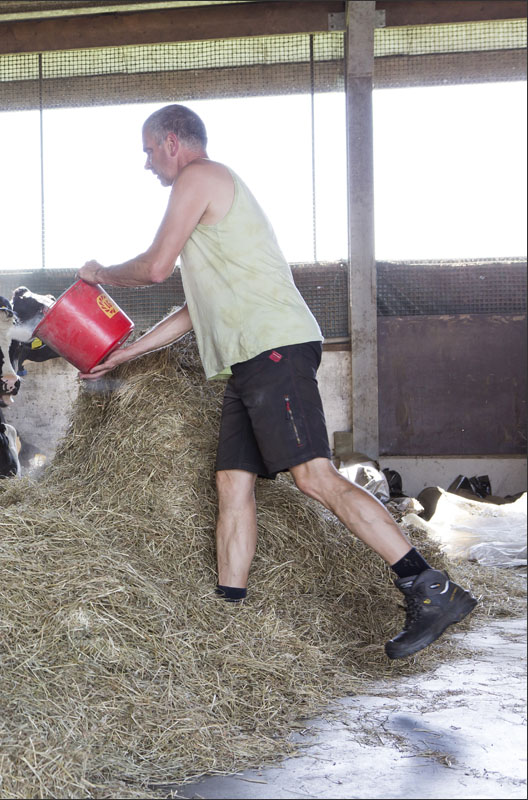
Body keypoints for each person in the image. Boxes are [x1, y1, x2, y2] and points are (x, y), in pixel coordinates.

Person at [76, 104, 476, 659]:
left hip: (275, 349)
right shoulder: (204, 211)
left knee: (313, 476)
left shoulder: (200, 176)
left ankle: (428, 586)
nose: (147, 164)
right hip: (247, 362)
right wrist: (128, 352)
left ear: (172, 141)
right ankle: (229, 613)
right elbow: (193, 308)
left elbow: (154, 267)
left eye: (148, 151)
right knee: (231, 483)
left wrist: (99, 274)